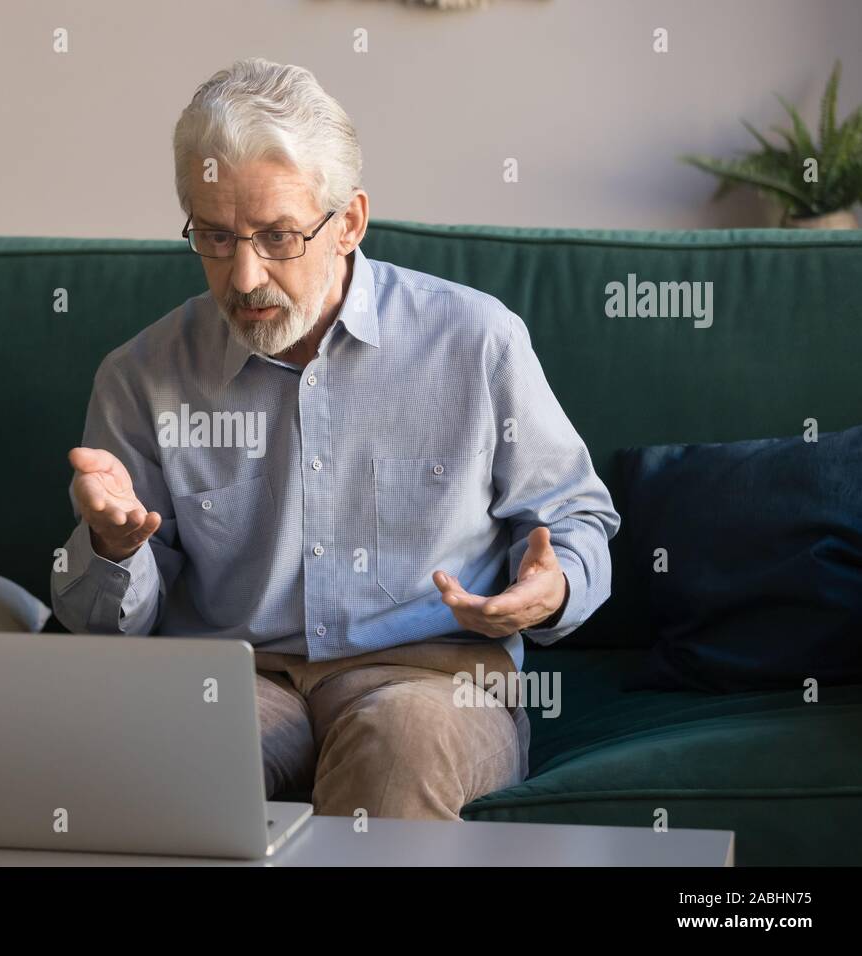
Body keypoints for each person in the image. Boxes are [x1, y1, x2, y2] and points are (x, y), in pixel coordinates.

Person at [51, 58, 619, 820]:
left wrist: (549, 591)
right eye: (215, 237)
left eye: (277, 236)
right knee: (166, 750)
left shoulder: (475, 341)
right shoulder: (141, 375)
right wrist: (113, 548)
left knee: (397, 743)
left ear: (348, 222)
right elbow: (103, 626)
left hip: (431, 679)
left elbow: (575, 519)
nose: (244, 274)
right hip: (234, 679)